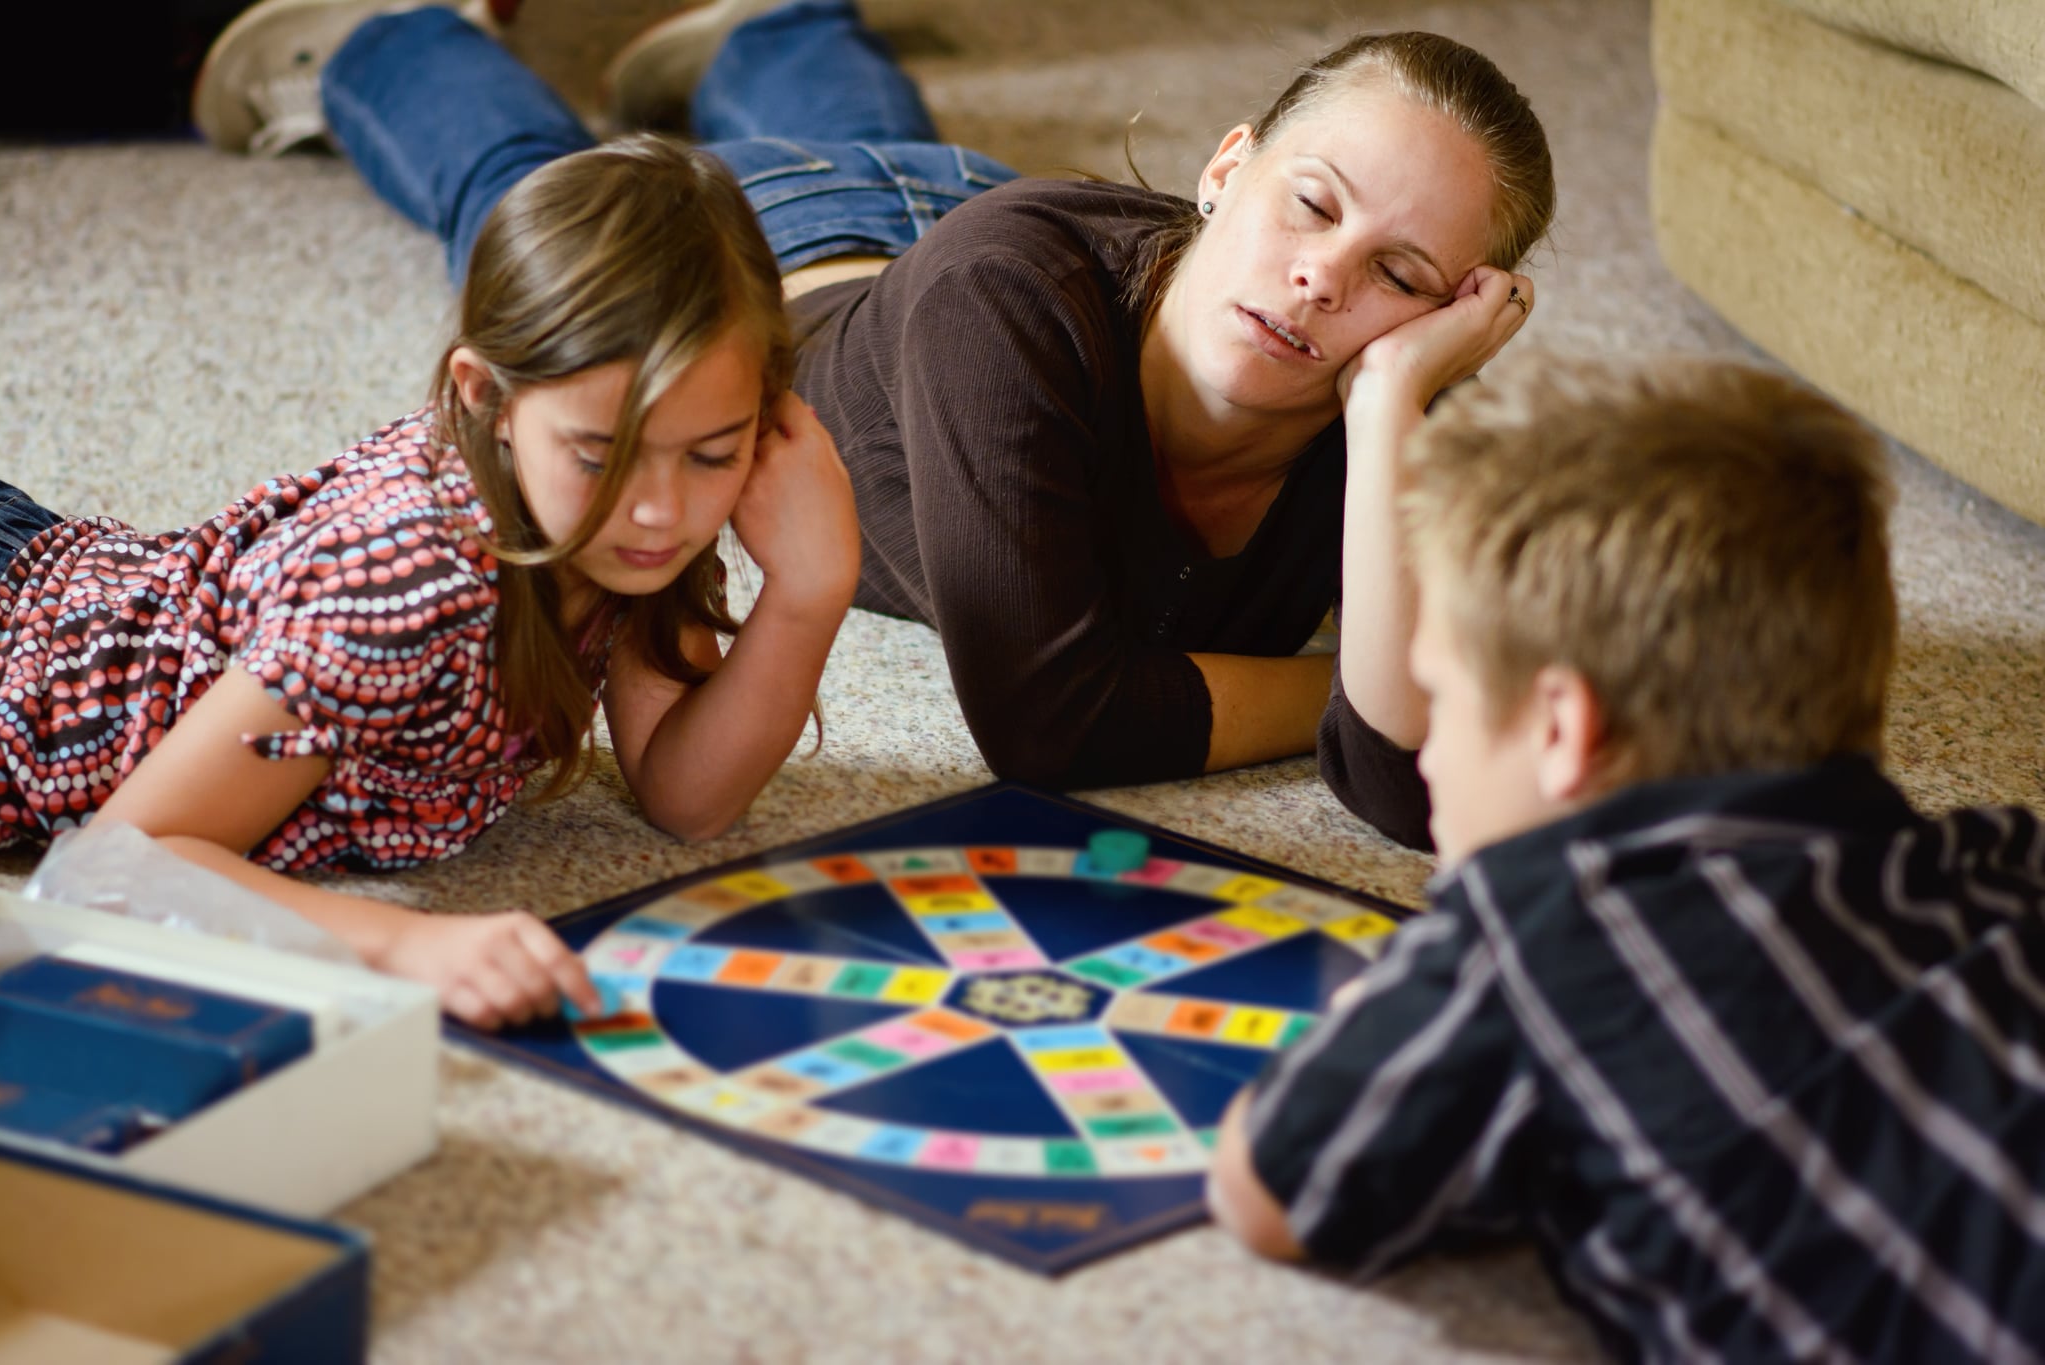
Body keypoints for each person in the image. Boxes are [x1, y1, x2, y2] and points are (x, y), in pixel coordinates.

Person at [193, 0, 1556, 849]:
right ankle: (393, 33)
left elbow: (1409, 795)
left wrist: (1384, 413)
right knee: (531, 192)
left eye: (1404, 277)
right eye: (1311, 204)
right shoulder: (1003, 288)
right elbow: (1054, 721)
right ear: (1227, 167)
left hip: (957, 218)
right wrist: (1362, 692)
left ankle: (773, 30)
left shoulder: (1402, 409)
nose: (1324, 276)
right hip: (797, 268)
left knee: (890, 146)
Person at [1204, 354, 2045, 1362]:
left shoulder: (1542, 936)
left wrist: (1371, 1016)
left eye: (1445, 704)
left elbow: (1271, 1187)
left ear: (1561, 727)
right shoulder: (1995, 854)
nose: (1426, 752)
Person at [0, 135, 862, 1030]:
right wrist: (404, 943)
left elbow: (689, 797)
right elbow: (116, 864)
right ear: (486, 396)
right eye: (602, 456)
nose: (660, 510)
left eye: (714, 453)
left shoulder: (619, 523)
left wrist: (810, 587)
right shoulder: (398, 590)